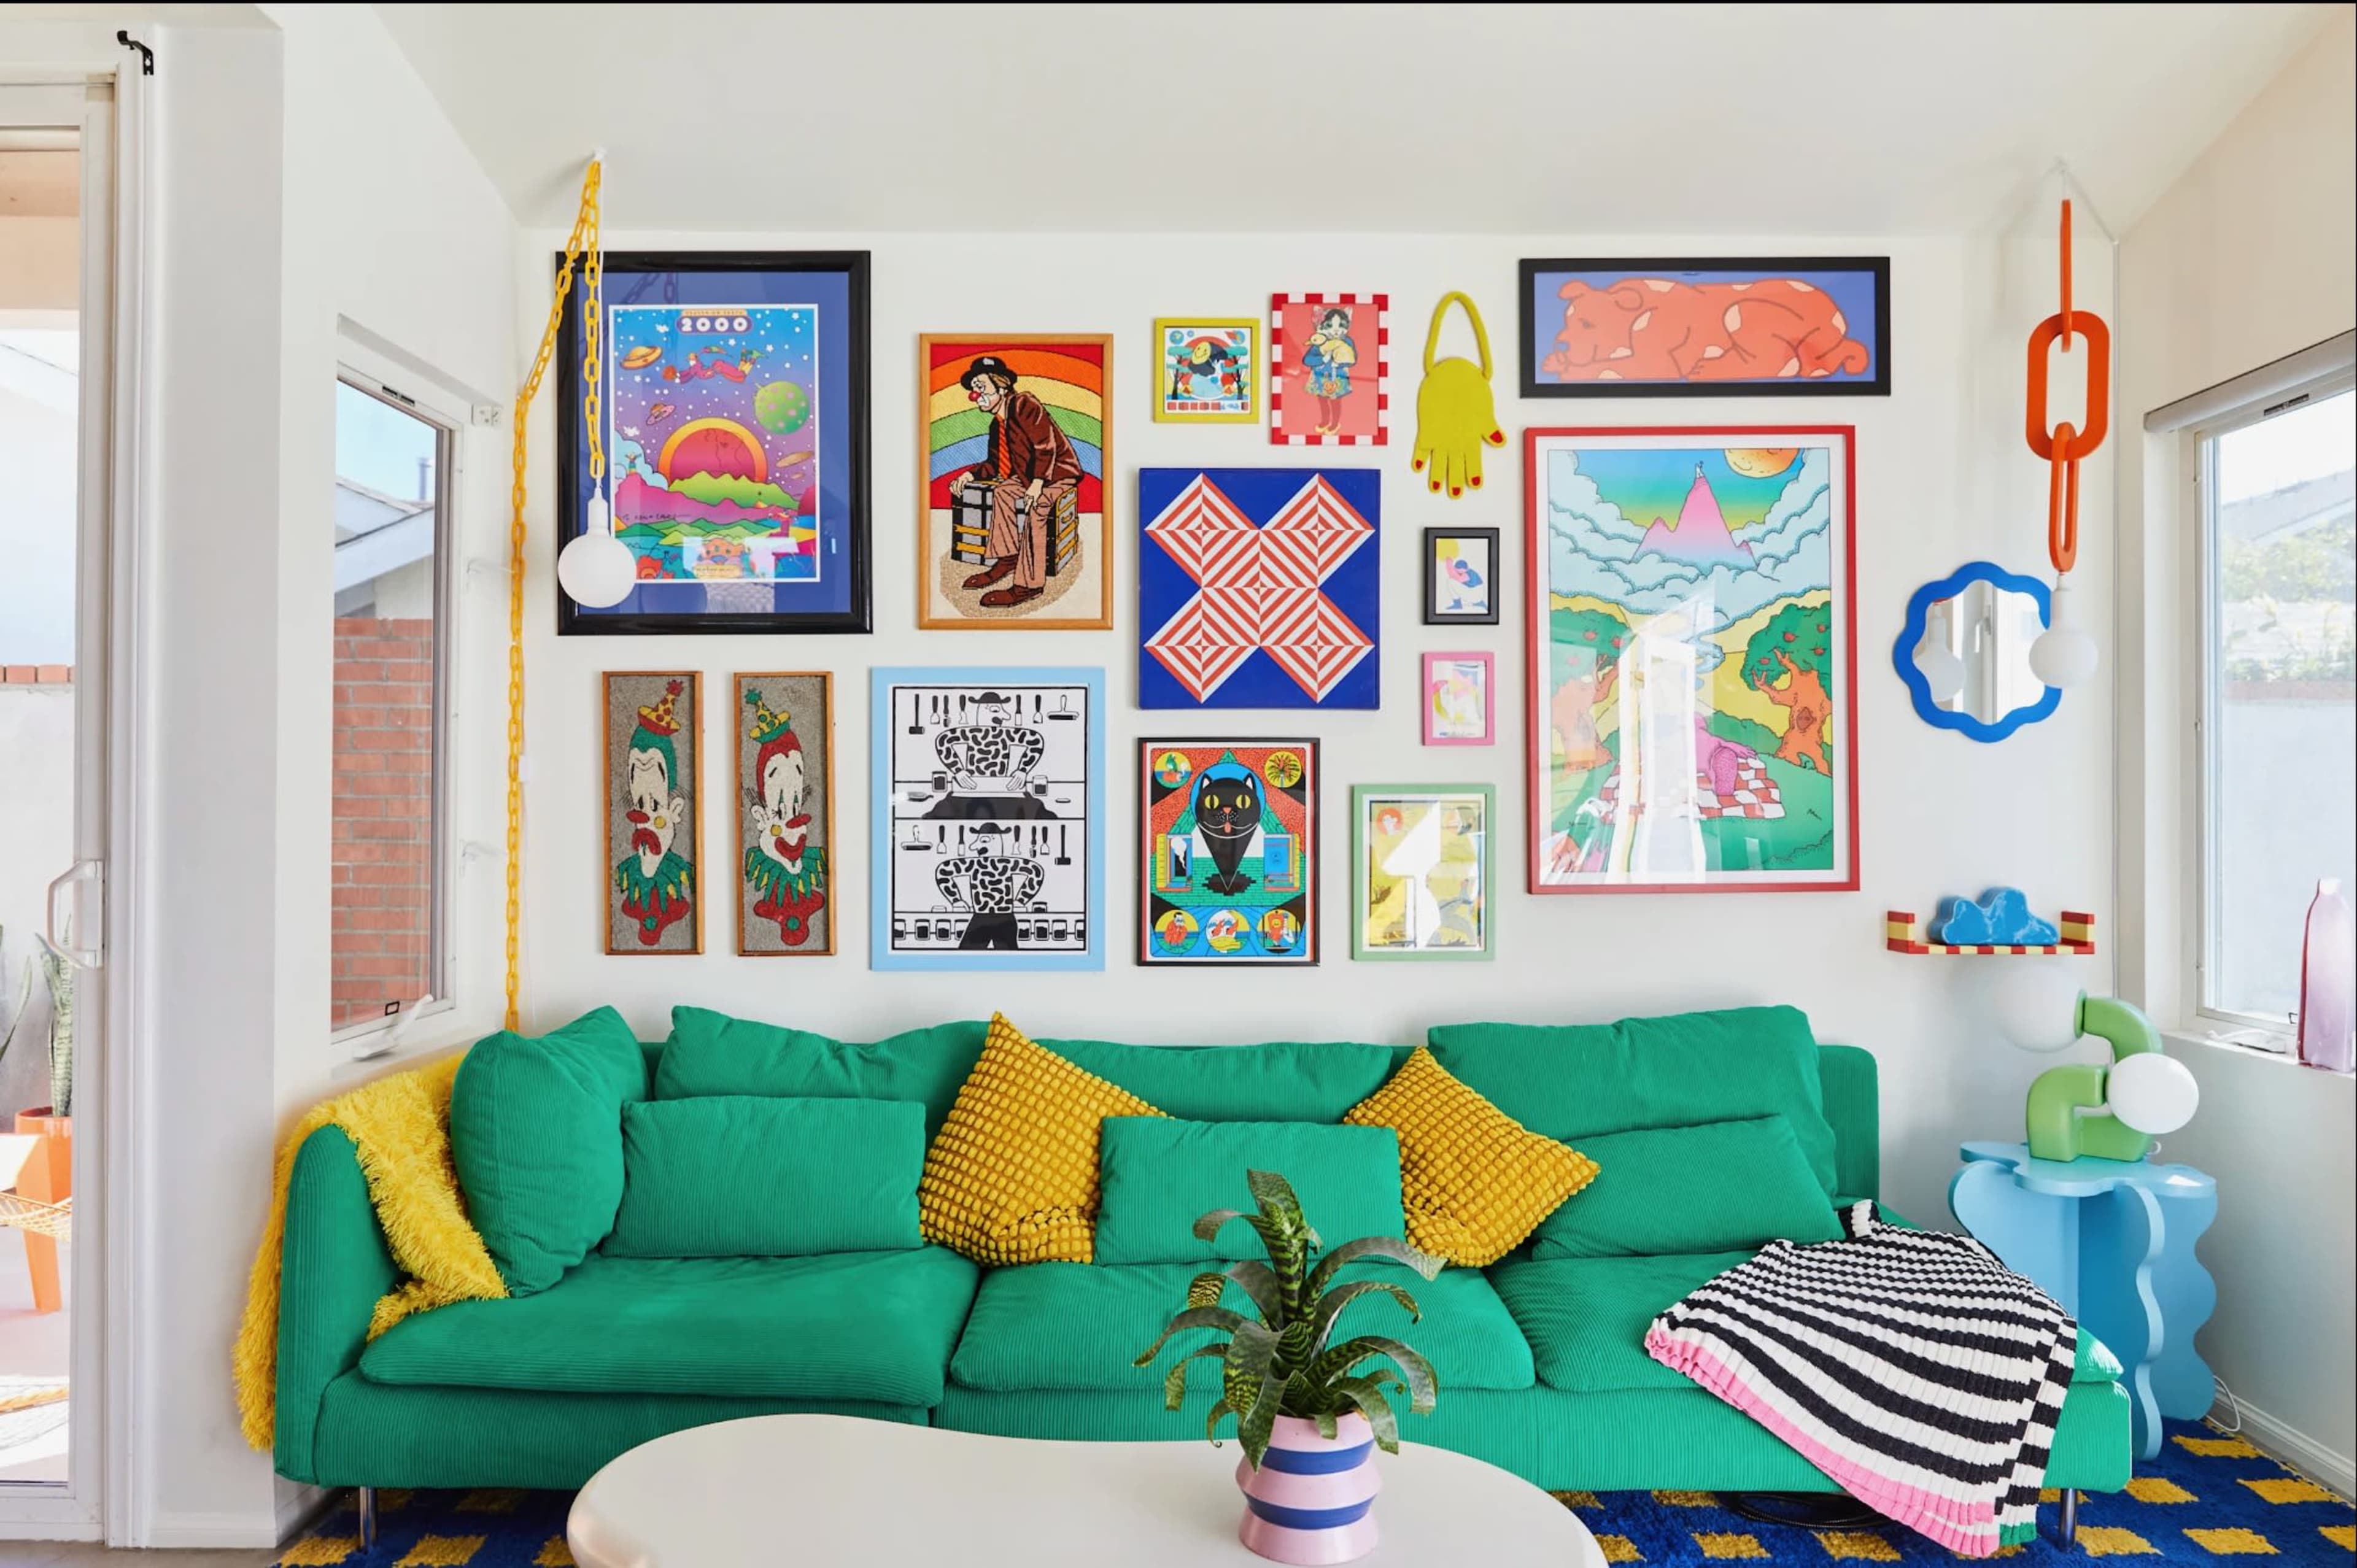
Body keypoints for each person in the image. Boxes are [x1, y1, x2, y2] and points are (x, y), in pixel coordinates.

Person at [943, 355, 1083, 609]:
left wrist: (1038, 484)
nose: (976, 395)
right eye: (974, 390)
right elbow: (995, 465)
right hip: (1030, 476)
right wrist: (970, 475)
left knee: (1039, 506)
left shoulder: (1024, 404)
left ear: (1002, 386)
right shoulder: (997, 426)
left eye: (982, 387)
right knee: (1004, 491)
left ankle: (1029, 585)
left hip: (1059, 473)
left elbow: (1046, 446)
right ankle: (1008, 558)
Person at [1300, 306, 1357, 434]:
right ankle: (1325, 421)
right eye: (1330, 325)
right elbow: (1307, 360)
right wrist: (1323, 359)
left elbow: (1352, 359)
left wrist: (1340, 362)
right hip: (1320, 377)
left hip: (1338, 377)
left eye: (1341, 326)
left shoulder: (1347, 342)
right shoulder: (1320, 341)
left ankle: (1335, 423)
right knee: (1322, 400)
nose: (1336, 330)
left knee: (1336, 401)